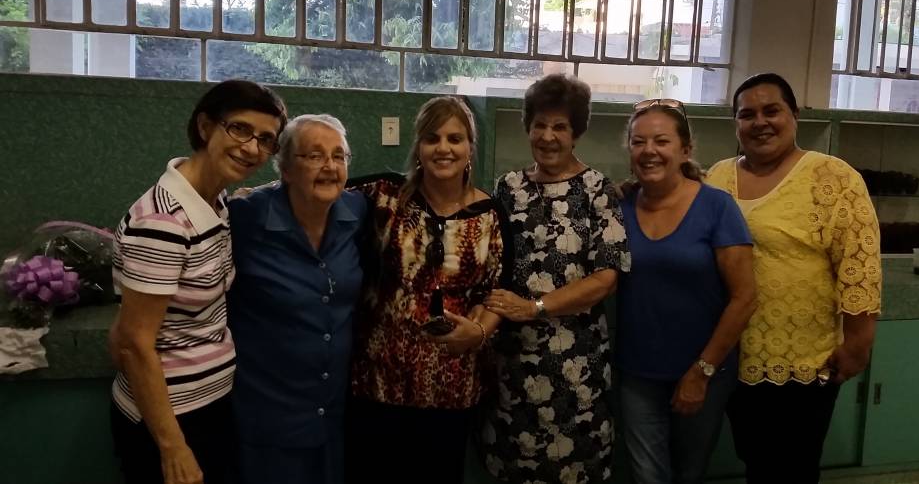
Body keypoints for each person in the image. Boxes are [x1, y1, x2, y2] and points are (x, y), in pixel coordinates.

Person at [705, 73, 882, 484]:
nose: (760, 123)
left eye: (772, 111)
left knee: (792, 467)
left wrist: (859, 342)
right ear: (735, 123)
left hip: (804, 360)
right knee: (756, 459)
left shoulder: (832, 177)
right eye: (747, 115)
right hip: (732, 355)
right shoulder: (718, 176)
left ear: (795, 115)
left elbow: (859, 264)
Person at [108, 80, 287, 484]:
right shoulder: (162, 222)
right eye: (239, 129)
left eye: (266, 140)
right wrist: (173, 447)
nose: (252, 148)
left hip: (210, 406)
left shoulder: (214, 200)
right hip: (169, 421)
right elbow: (135, 343)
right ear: (205, 127)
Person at [345, 96, 509, 484]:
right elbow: (318, 186)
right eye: (432, 138)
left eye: (455, 138)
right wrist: (260, 193)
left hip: (451, 387)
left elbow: (499, 291)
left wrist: (479, 332)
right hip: (378, 383)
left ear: (470, 147)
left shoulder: (490, 214)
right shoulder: (383, 195)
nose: (443, 148)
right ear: (418, 146)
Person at [481, 74, 630, 484]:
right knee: (513, 466)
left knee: (574, 469)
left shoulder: (597, 190)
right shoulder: (508, 187)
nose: (548, 136)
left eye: (560, 126)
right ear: (528, 127)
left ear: (576, 133)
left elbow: (606, 278)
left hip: (576, 363)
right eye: (540, 125)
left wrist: (536, 308)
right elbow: (491, 263)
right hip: (513, 362)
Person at [616, 99, 757, 484]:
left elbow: (745, 298)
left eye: (661, 141)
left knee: (688, 473)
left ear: (685, 150)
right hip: (637, 374)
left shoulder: (717, 207)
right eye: (638, 142)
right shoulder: (619, 207)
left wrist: (702, 371)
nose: (649, 150)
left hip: (703, 372)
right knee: (648, 476)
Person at [226, 114, 366, 484]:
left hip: (331, 420)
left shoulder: (356, 212)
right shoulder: (245, 218)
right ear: (285, 169)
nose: (330, 166)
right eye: (315, 156)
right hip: (267, 424)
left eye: (339, 156)